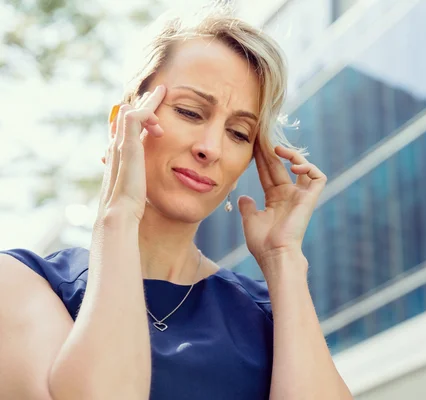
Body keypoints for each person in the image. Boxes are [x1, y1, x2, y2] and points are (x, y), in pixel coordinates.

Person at [0, 4, 353, 400]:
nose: (211, 148)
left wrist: (283, 257)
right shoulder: (22, 282)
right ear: (124, 121)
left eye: (238, 133)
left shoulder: (267, 313)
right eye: (189, 111)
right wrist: (118, 215)